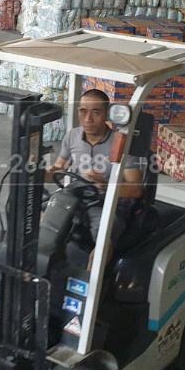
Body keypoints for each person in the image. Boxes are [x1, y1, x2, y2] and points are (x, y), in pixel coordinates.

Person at [45, 88, 145, 254]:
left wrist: (105, 186)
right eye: (83, 111)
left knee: (102, 243)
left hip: (107, 202)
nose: (88, 119)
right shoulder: (73, 136)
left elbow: (136, 189)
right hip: (76, 195)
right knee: (43, 221)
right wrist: (39, 174)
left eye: (96, 113)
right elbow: (59, 168)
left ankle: (95, 269)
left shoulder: (122, 143)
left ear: (106, 115)